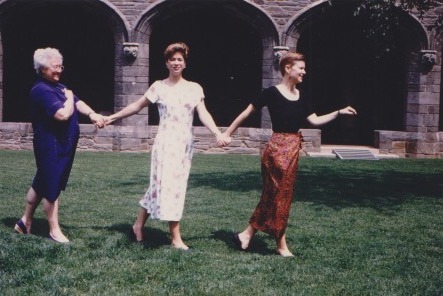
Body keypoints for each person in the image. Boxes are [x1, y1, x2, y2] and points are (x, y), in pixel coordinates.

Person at [224, 51, 357, 257]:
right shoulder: (271, 93)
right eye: (301, 68)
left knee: (278, 196)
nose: (305, 71)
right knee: (279, 196)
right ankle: (280, 245)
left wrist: (339, 112)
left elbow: (315, 120)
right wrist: (227, 133)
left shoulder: (303, 96)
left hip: (293, 148)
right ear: (288, 68)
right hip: (276, 149)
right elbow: (246, 112)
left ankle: (247, 234)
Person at [104, 42, 230, 250]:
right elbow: (137, 106)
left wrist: (217, 132)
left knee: (162, 186)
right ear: (167, 63)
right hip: (165, 144)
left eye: (180, 59)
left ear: (185, 63)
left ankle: (138, 225)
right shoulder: (158, 87)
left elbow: (203, 114)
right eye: (172, 59)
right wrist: (111, 118)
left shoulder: (194, 88)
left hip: (184, 146)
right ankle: (175, 238)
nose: (176, 63)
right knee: (172, 188)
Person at [14, 47, 105, 243]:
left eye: (60, 66)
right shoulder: (41, 90)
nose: (59, 70)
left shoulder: (57, 86)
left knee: (41, 182)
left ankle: (24, 221)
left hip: (63, 144)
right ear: (42, 69)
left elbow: (78, 103)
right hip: (50, 144)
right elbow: (62, 114)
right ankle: (54, 230)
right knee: (52, 186)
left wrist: (92, 114)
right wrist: (70, 98)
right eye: (54, 67)